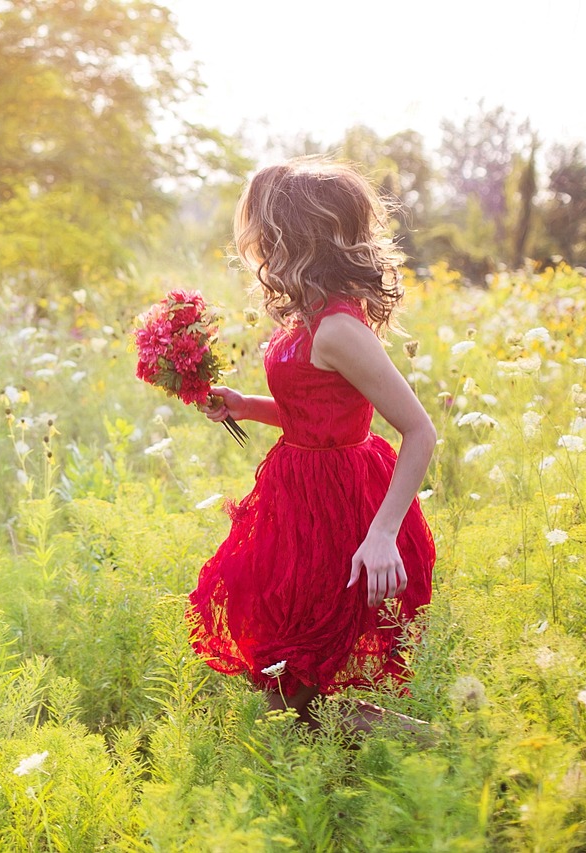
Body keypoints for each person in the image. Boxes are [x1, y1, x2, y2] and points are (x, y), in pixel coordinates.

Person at [187, 157, 436, 734]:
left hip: (343, 510)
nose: (255, 244)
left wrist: (380, 536)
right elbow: (318, 415)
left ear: (291, 236)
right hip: (296, 501)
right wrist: (246, 405)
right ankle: (348, 773)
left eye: (262, 230)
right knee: (285, 677)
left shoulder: (338, 328)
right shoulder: (307, 317)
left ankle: (436, 750)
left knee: (298, 685)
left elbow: (420, 431)